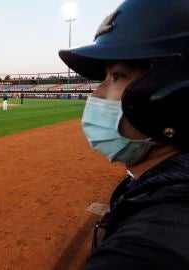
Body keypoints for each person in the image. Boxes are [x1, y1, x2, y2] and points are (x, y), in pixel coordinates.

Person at [59, 0, 189, 269]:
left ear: (173, 92)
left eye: (117, 76)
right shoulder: (163, 188)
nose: (96, 93)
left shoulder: (151, 247)